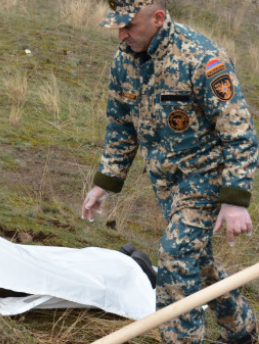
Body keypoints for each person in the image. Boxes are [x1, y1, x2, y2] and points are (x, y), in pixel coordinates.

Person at [81, 1, 258, 343]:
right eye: (118, 26)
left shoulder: (203, 60)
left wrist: (235, 200)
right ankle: (243, 330)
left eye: (129, 26)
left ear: (158, 18)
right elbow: (121, 126)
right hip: (166, 183)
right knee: (196, 260)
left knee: (175, 258)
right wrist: (105, 182)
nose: (122, 34)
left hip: (207, 176)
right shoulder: (126, 59)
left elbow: (240, 134)